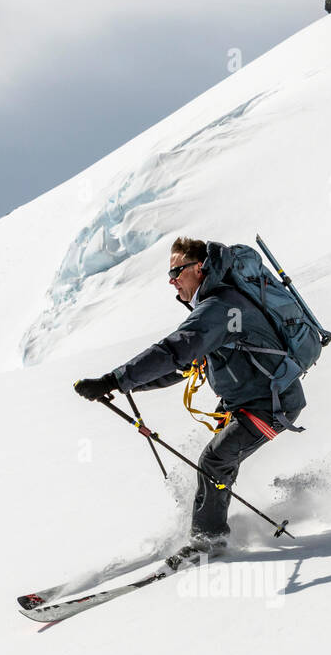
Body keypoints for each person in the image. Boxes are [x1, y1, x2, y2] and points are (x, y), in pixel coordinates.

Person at [73, 236, 305, 556]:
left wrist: (115, 379)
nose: (172, 281)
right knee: (218, 462)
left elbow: (174, 351)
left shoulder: (221, 308)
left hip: (272, 406)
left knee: (215, 460)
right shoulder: (217, 307)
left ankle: (208, 542)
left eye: (177, 272)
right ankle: (212, 527)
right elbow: (181, 366)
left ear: (199, 268)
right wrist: (120, 385)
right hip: (250, 404)